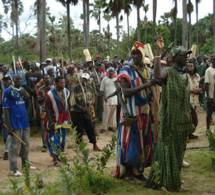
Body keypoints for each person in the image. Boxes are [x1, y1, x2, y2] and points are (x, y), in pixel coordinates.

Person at [146, 33, 193, 191]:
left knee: (179, 151)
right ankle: (171, 182)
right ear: (175, 57)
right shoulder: (169, 73)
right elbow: (157, 75)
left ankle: (175, 177)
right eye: (183, 55)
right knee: (168, 151)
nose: (186, 58)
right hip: (170, 121)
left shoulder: (185, 75)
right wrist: (159, 52)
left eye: (187, 55)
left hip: (183, 120)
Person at [111, 41, 157, 184]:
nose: (135, 56)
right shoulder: (126, 70)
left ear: (143, 55)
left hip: (144, 112)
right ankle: (128, 173)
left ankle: (138, 172)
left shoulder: (146, 71)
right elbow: (125, 92)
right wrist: (145, 85)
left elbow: (149, 93)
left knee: (143, 143)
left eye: (138, 54)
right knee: (130, 142)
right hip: (131, 113)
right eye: (133, 53)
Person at [3, 73, 36, 177]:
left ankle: (26, 164)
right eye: (17, 79)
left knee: (25, 144)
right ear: (13, 80)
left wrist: (26, 95)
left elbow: (26, 104)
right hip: (14, 121)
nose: (20, 81)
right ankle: (14, 169)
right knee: (14, 146)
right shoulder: (8, 91)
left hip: (24, 120)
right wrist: (9, 125)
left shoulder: (22, 90)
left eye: (21, 79)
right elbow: (6, 108)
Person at [70, 73, 101, 151]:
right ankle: (80, 146)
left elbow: (93, 99)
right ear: (81, 79)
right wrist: (81, 107)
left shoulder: (90, 88)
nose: (84, 81)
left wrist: (89, 103)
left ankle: (94, 145)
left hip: (86, 112)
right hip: (76, 112)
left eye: (86, 79)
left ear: (88, 80)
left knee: (90, 128)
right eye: (83, 79)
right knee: (79, 129)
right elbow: (72, 101)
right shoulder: (75, 88)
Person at [44, 76, 70, 167]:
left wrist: (69, 118)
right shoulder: (50, 94)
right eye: (61, 83)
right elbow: (46, 107)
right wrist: (50, 121)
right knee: (54, 138)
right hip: (53, 119)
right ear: (55, 83)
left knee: (62, 137)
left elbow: (67, 105)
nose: (63, 84)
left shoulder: (66, 91)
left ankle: (59, 155)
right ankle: (55, 158)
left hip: (63, 119)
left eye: (64, 83)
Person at [37, 74, 53, 152]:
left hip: (52, 109)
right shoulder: (40, 89)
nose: (47, 80)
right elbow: (39, 100)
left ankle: (52, 141)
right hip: (43, 109)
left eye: (48, 78)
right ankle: (44, 144)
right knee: (43, 126)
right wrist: (46, 95)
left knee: (52, 124)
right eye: (46, 78)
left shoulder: (53, 88)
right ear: (43, 79)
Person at [100, 67, 117, 133]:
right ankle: (104, 127)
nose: (111, 72)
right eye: (109, 71)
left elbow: (118, 90)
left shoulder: (116, 80)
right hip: (107, 99)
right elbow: (102, 89)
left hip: (114, 99)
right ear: (108, 72)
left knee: (113, 114)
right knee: (105, 114)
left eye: (112, 71)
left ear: (114, 72)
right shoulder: (104, 79)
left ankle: (111, 126)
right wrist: (104, 96)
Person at [187, 61, 201, 139]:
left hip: (195, 99)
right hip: (187, 99)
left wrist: (199, 90)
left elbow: (199, 85)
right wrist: (193, 91)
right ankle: (187, 134)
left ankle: (191, 133)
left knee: (193, 118)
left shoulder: (197, 76)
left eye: (192, 66)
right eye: (189, 66)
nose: (190, 67)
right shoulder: (184, 76)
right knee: (188, 117)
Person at [0, 75, 12, 160]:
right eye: (4, 80)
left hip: (12, 114)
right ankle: (6, 150)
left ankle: (9, 150)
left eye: (8, 80)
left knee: (11, 133)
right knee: (5, 133)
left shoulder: (14, 90)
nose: (6, 82)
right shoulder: (2, 92)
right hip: (4, 114)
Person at [205, 54, 215, 135]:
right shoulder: (208, 70)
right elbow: (206, 84)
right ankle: (208, 129)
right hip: (210, 96)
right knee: (209, 114)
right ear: (212, 60)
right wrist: (208, 96)